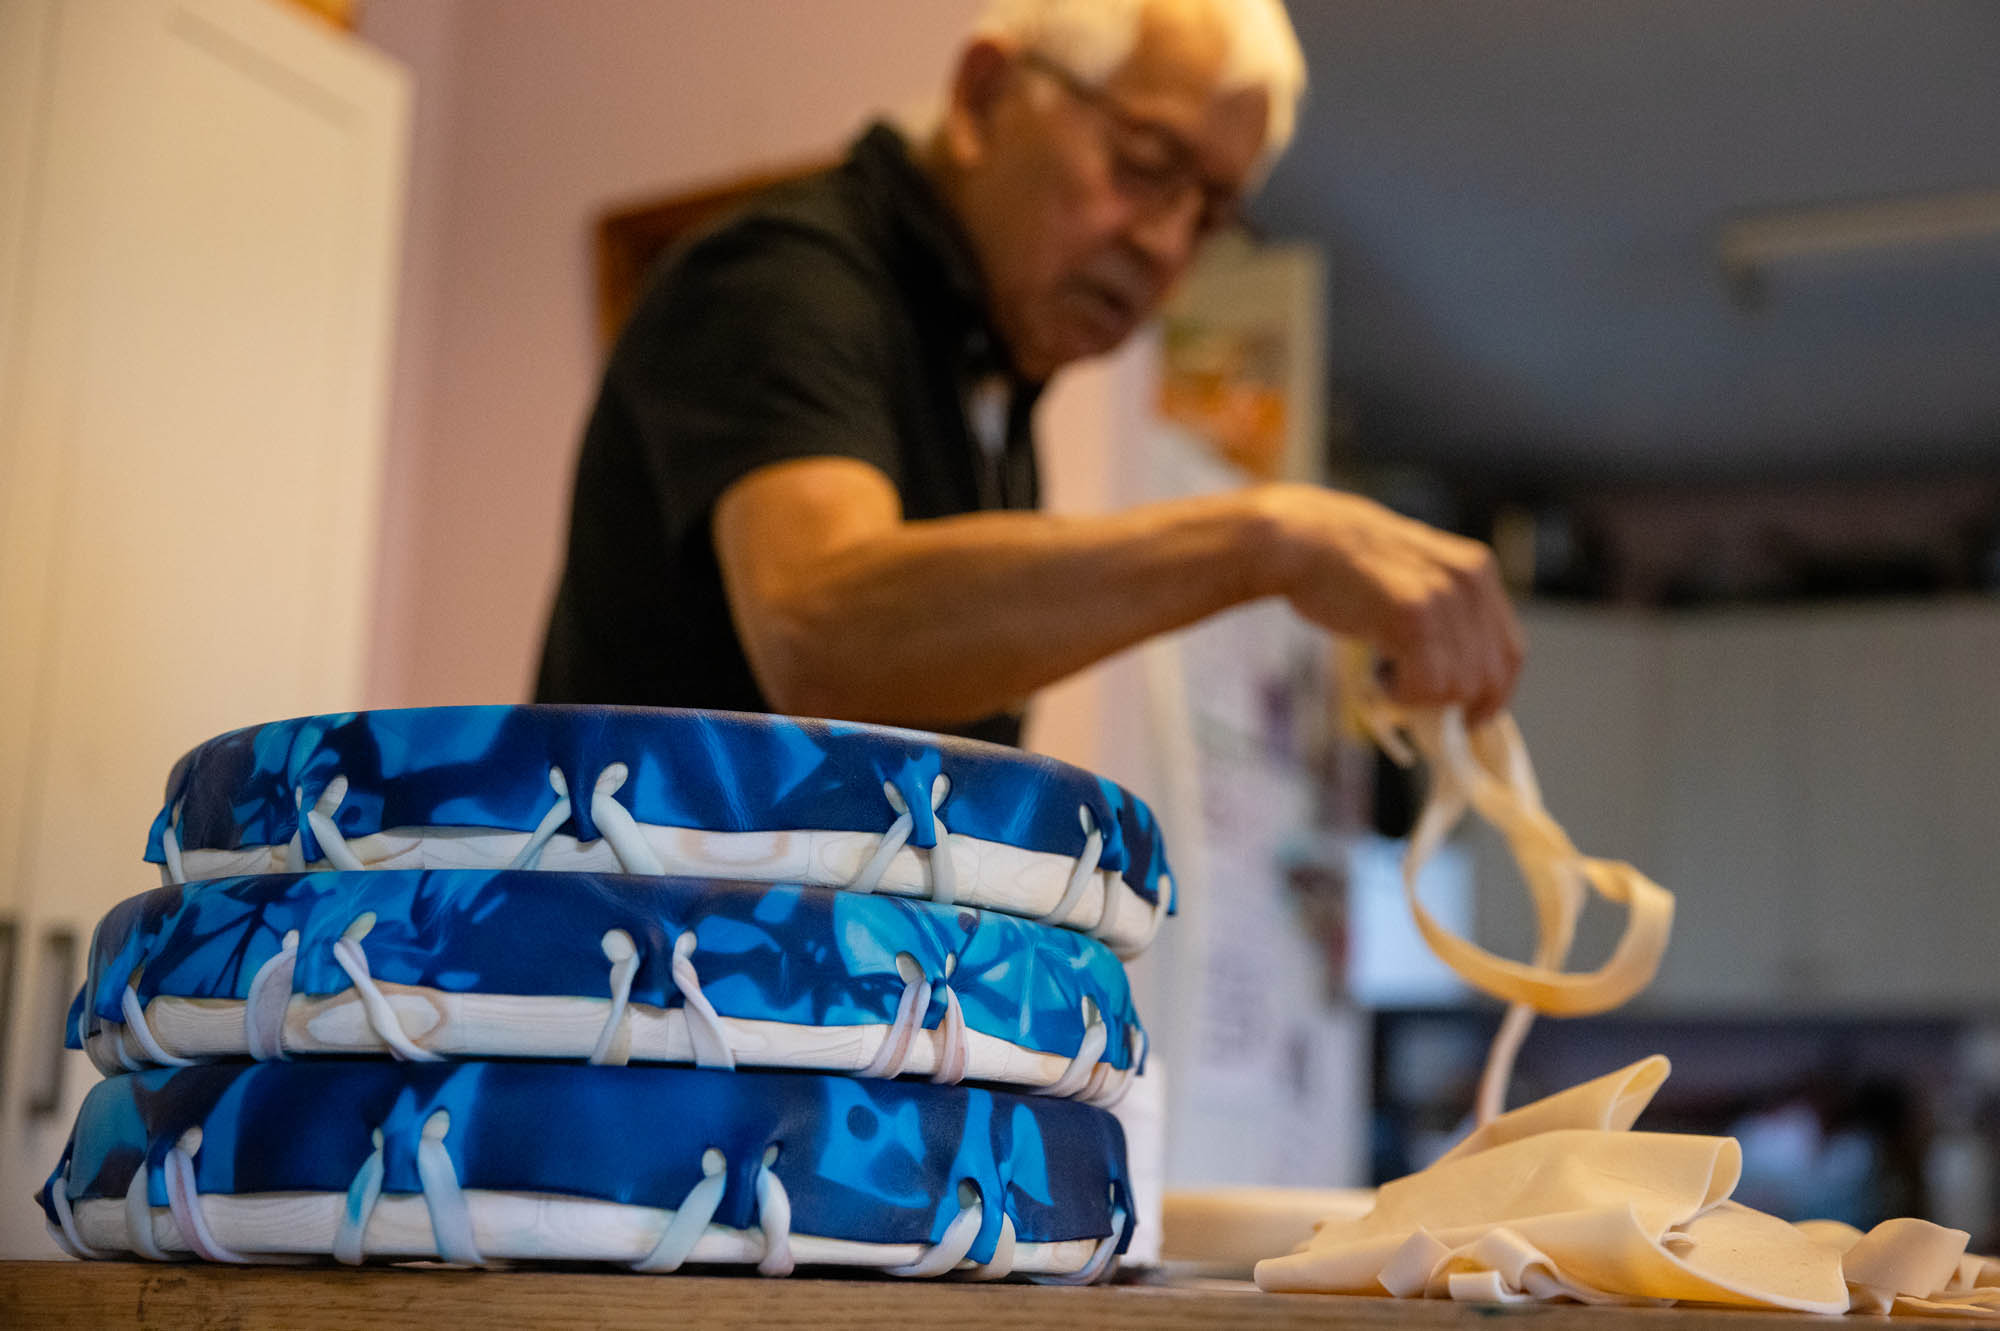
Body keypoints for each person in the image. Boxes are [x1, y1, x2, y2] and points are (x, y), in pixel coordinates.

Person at [537, 0, 1524, 747]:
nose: (1165, 246)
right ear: (983, 98)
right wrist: (1262, 541)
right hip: (641, 960)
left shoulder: (988, 371)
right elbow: (821, 634)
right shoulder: (785, 277)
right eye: (1143, 163)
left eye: (1211, 213)